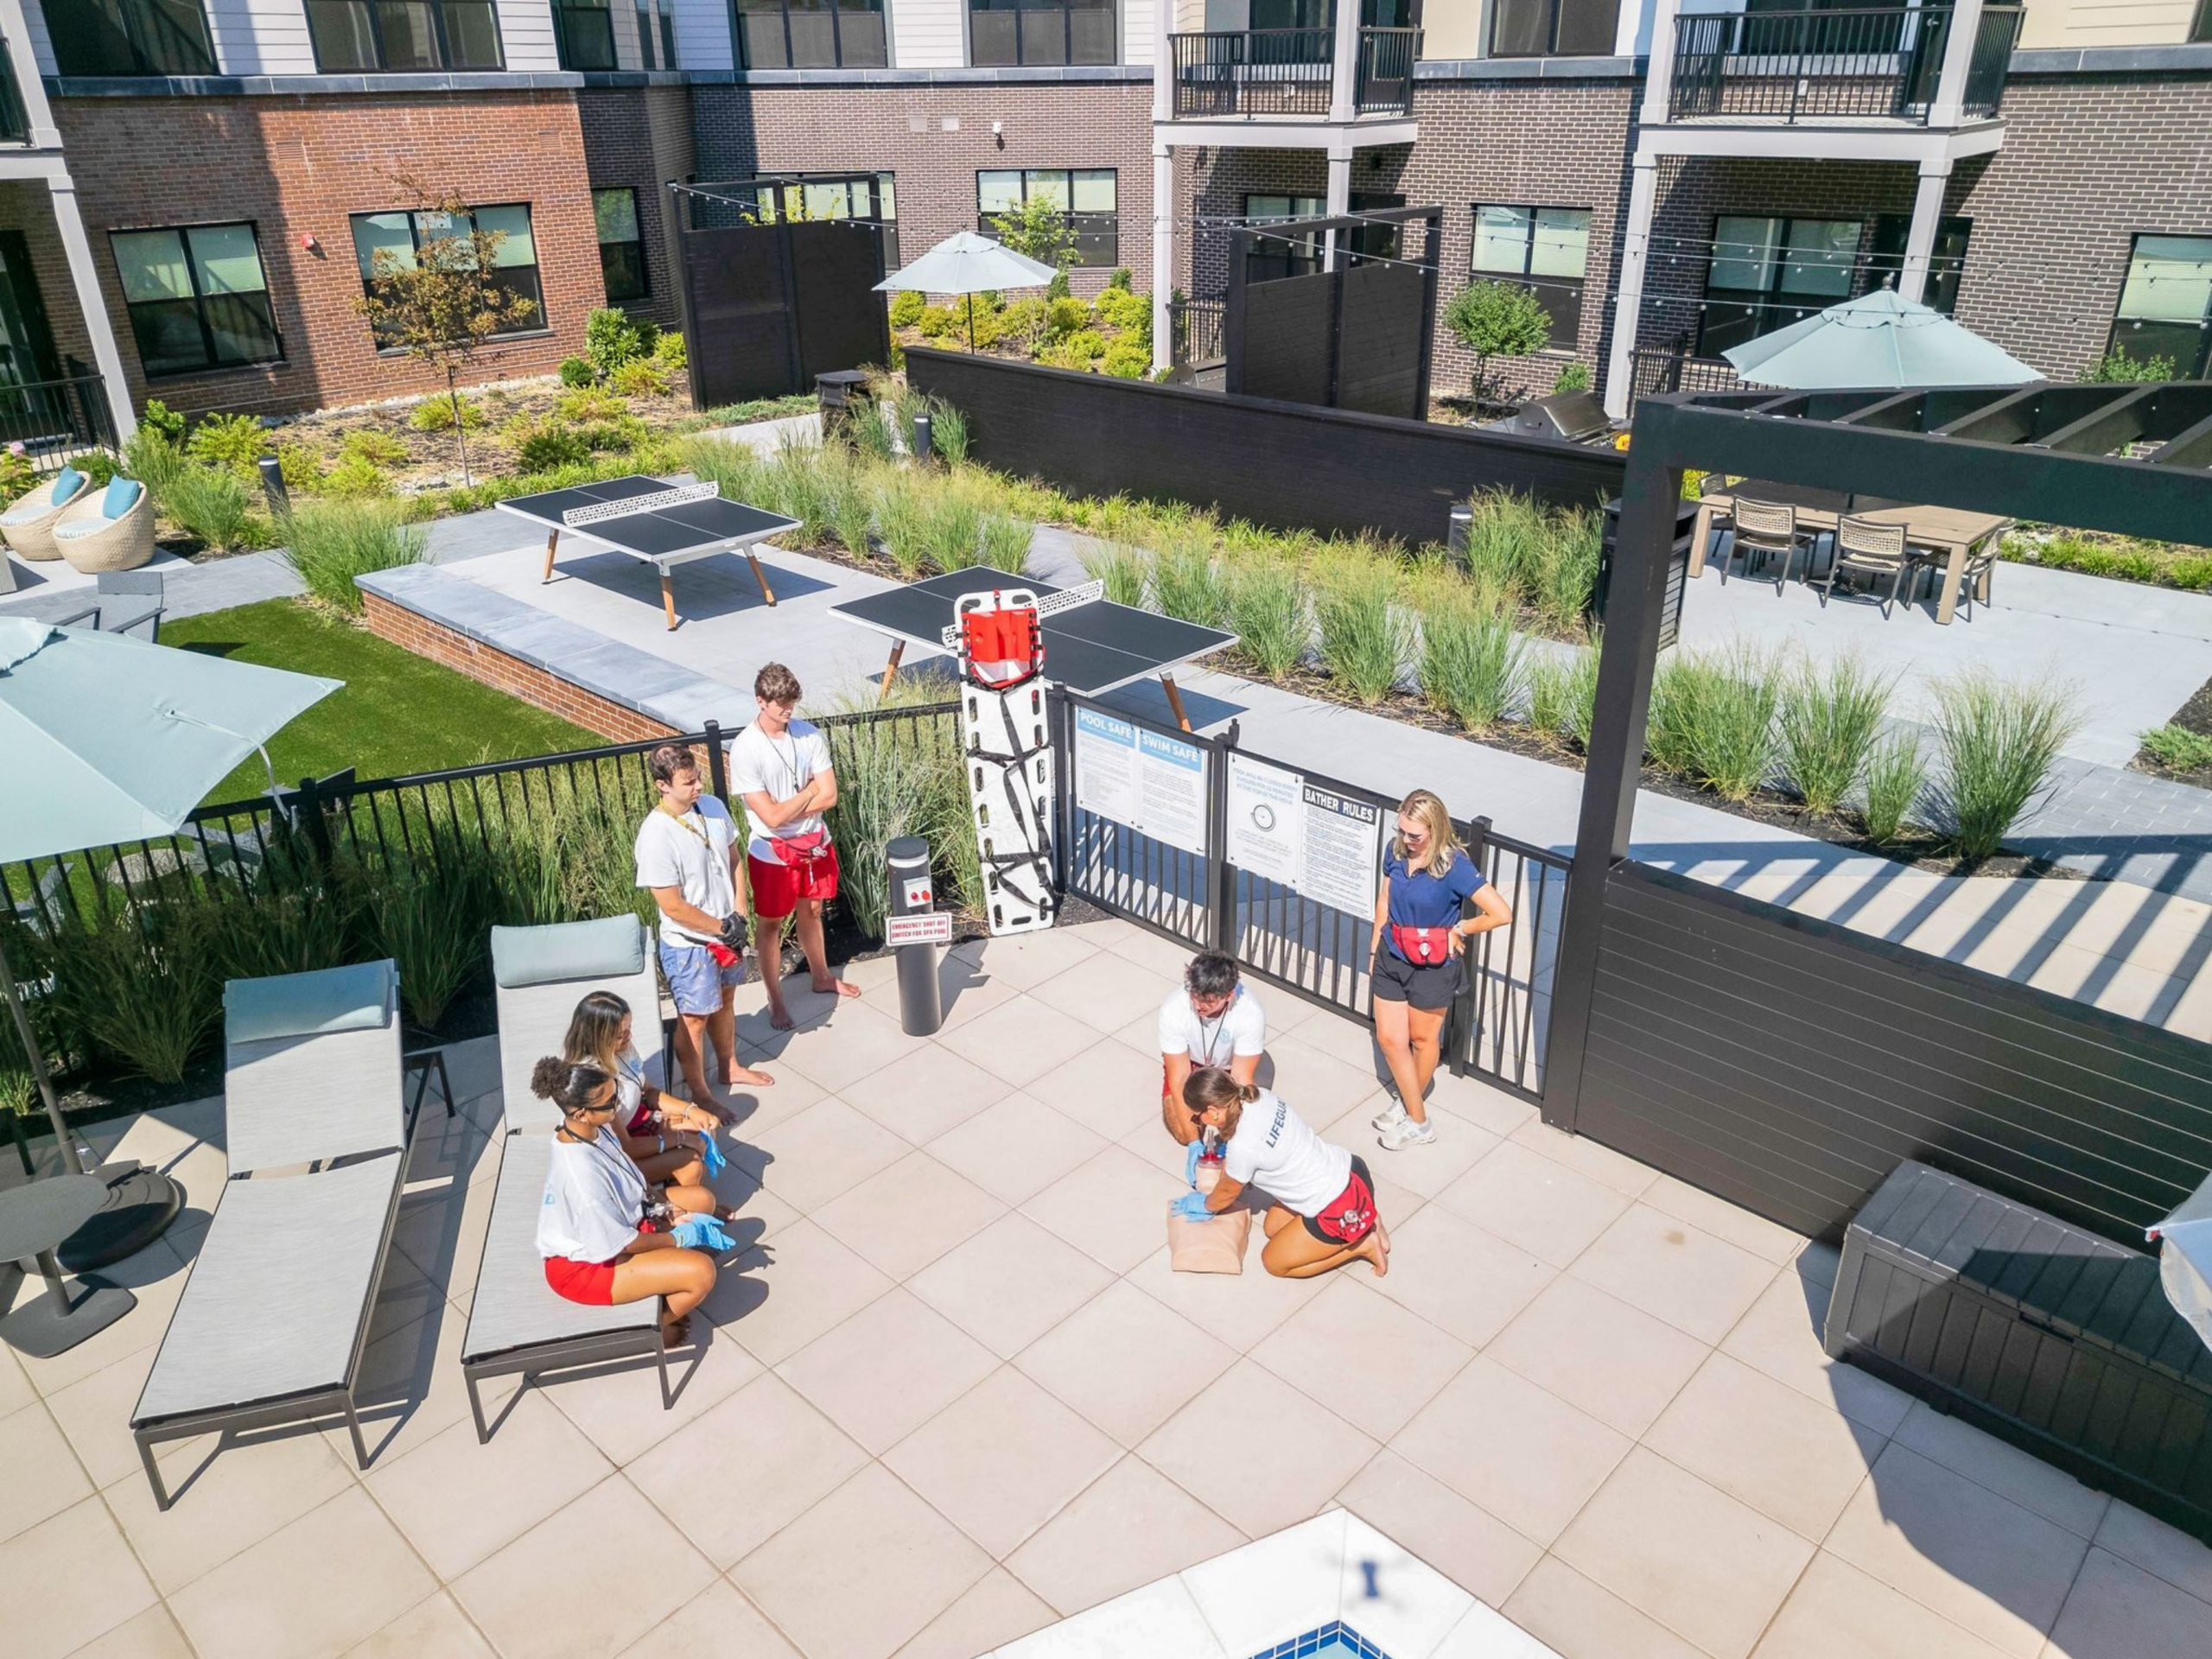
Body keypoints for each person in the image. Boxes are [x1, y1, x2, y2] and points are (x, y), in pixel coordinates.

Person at [532, 1058, 737, 1349]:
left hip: (619, 1225)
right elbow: (622, 1243)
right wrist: (675, 1237)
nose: (617, 1106)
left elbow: (629, 1174)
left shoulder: (590, 1129)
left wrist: (667, 1209)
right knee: (701, 1271)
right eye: (609, 1102)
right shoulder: (581, 1178)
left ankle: (662, 1278)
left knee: (701, 1201)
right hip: (586, 1267)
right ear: (581, 1113)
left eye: (614, 1094)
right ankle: (653, 1331)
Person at [1368, 789, 1513, 1151]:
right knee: (1389, 1040)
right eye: (1401, 830)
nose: (1405, 840)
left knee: (1422, 1040)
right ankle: (1412, 1106)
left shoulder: (1454, 865)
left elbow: (1501, 913)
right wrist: (1374, 949)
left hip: (1431, 967)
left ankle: (1415, 1118)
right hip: (1391, 954)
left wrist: (1459, 929)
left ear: (1435, 830)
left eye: (1414, 835)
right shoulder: (1395, 850)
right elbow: (1385, 899)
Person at [633, 741, 774, 1109]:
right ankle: (700, 1094)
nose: (698, 787)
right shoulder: (656, 835)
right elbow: (672, 905)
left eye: (698, 779)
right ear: (662, 785)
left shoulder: (712, 807)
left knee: (726, 1002)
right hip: (689, 944)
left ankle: (729, 1067)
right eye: (688, 782)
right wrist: (720, 928)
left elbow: (734, 859)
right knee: (694, 1018)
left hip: (727, 930)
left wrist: (739, 912)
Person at [728, 662, 859, 1031]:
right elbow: (770, 818)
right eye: (780, 704)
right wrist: (807, 793)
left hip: (815, 842)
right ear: (761, 701)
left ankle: (821, 975)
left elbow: (830, 795)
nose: (788, 710)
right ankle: (775, 998)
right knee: (770, 924)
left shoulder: (809, 736)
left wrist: (790, 807)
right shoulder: (746, 749)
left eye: (792, 703)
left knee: (814, 910)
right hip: (773, 851)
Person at [1173, 1067, 1388, 1279]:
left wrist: (1205, 1204)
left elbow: (1226, 1193)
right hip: (1350, 1167)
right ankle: (1371, 1218)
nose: (1200, 1123)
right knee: (1273, 1227)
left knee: (1274, 1263)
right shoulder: (1258, 1096)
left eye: (1197, 1118)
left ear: (1213, 1111)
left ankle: (1362, 1244)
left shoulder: (1243, 1147)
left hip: (1339, 1206)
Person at [562, 990, 721, 1182]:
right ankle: (683, 1204)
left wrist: (692, 1110)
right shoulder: (595, 1083)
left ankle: (686, 1193)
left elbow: (650, 1090)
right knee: (691, 1163)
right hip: (618, 1155)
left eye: (629, 1028)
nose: (630, 1036)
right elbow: (626, 1147)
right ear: (599, 1039)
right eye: (621, 1034)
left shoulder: (623, 1049)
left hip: (639, 1122)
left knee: (705, 1125)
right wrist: (680, 1139)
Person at [1158, 951, 1267, 1148]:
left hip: (1227, 1070)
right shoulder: (1173, 1009)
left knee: (1231, 1130)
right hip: (1190, 1065)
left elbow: (1242, 1077)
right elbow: (1180, 1077)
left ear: (1229, 995)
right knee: (1184, 1133)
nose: (1199, 1006)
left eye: (1208, 1001)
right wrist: (1193, 1143)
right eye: (1195, 996)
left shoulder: (1250, 1014)